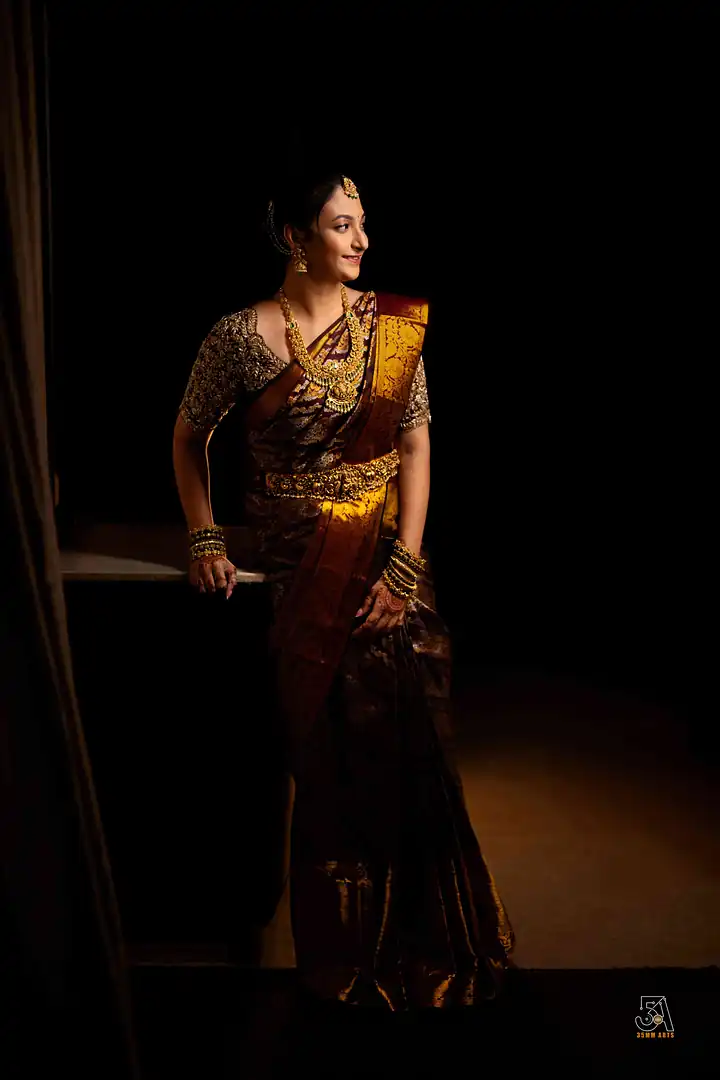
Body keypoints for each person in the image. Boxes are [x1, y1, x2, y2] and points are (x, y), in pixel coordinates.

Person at [172, 169, 515, 1011]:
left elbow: (416, 448)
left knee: (413, 738)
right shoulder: (241, 336)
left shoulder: (391, 330)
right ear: (297, 238)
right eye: (341, 225)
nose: (362, 240)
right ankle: (343, 954)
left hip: (388, 554)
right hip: (299, 555)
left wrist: (405, 565)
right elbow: (188, 436)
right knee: (328, 762)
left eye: (363, 224)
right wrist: (204, 534)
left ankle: (426, 944)